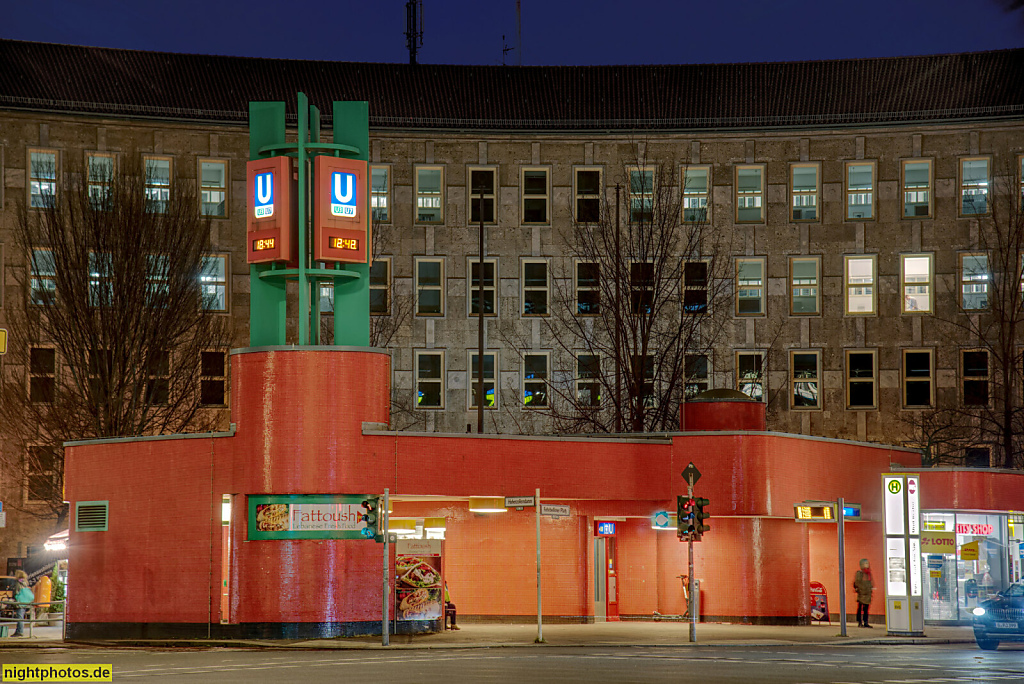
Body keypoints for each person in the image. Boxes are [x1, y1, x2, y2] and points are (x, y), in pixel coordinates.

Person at [11, 570, 34, 637]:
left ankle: (19, 631)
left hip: (20, 603)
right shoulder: (25, 582)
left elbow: (16, 592)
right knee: (21, 617)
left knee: (20, 617)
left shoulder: (18, 583)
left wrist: (14, 598)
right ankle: (18, 631)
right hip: (25, 602)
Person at [854, 558, 874, 628]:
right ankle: (859, 622)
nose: (867, 565)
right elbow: (857, 582)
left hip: (867, 593)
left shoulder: (868, 573)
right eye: (865, 563)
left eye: (867, 563)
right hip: (862, 593)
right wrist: (860, 590)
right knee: (860, 608)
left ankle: (866, 622)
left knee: (866, 609)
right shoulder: (860, 573)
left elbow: (871, 582)